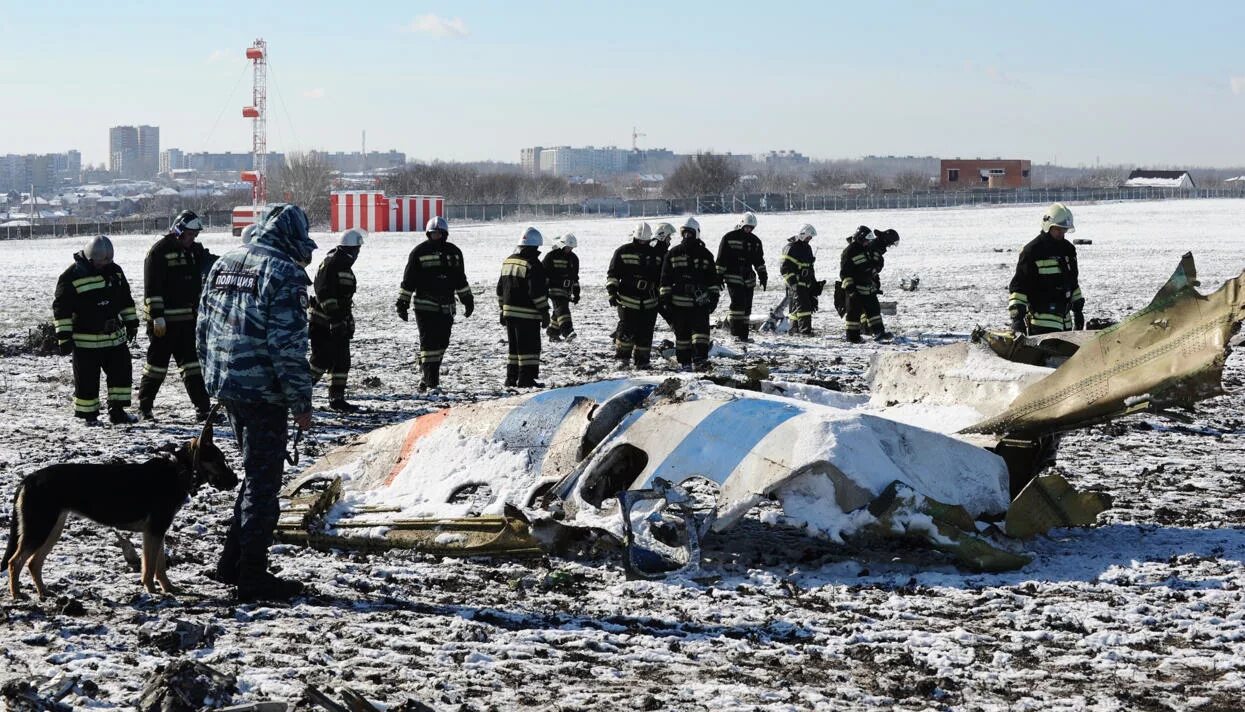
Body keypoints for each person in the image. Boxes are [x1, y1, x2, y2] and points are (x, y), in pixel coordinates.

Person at [198, 203, 317, 602]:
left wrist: (213, 380)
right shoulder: (285, 275)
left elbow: (203, 328)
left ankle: (231, 562)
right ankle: (252, 573)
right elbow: (287, 347)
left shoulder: (224, 263)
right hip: (264, 393)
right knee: (264, 485)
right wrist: (301, 400)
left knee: (255, 474)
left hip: (228, 386)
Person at [52, 235, 140, 425]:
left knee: (121, 376)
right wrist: (64, 337)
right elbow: (61, 309)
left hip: (115, 339)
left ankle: (117, 412)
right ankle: (88, 416)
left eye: (108, 262)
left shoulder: (115, 271)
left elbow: (125, 299)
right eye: (101, 263)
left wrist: (132, 322)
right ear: (90, 259)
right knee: (87, 382)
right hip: (86, 342)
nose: (105, 266)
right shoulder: (70, 277)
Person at [137, 210, 215, 421]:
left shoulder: (195, 251)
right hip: (164, 323)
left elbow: (212, 263)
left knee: (192, 366)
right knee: (156, 367)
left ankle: (202, 408)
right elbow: (152, 288)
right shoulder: (159, 252)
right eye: (189, 235)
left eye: (195, 235)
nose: (192, 239)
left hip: (187, 322)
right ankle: (144, 407)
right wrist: (157, 316)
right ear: (179, 231)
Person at [396, 216, 474, 391]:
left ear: (445, 234)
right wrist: (403, 302)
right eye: (433, 234)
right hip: (425, 305)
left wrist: (467, 300)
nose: (436, 236)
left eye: (439, 234)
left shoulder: (454, 252)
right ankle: (431, 381)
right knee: (429, 343)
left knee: (442, 342)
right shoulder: (419, 252)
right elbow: (409, 280)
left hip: (446, 306)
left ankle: (426, 369)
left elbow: (460, 278)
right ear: (428, 234)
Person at [309, 228, 365, 411]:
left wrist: (345, 320)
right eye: (356, 249)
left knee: (341, 361)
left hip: (338, 322)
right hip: (323, 323)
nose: (357, 253)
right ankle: (298, 395)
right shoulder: (332, 263)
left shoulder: (343, 264)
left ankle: (337, 399)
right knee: (320, 361)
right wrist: (334, 319)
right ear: (351, 249)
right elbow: (324, 292)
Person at [1009, 202, 1084, 335]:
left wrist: (1078, 311)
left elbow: (1073, 283)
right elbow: (1019, 288)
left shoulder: (1068, 250)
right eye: (1058, 229)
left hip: (1065, 323)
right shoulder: (1032, 251)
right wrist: (1017, 319)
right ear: (1048, 226)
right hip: (1042, 324)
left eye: (1064, 229)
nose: (1062, 233)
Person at [659, 217, 722, 371]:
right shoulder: (675, 253)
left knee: (699, 336)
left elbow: (713, 280)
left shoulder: (702, 254)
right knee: (682, 338)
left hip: (696, 305)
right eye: (685, 233)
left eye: (689, 233)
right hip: (685, 305)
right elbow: (665, 280)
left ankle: (698, 361)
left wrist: (713, 298)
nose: (687, 236)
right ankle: (687, 363)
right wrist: (666, 299)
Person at [497, 227, 550, 387]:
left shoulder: (508, 261)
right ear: (535, 246)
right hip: (527, 314)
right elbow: (536, 292)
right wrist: (544, 312)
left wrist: (502, 309)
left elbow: (500, 289)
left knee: (514, 348)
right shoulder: (533, 264)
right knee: (529, 348)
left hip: (509, 312)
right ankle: (526, 379)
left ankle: (511, 377)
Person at [607, 222, 663, 368]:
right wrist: (612, 292)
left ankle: (643, 361)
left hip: (649, 301)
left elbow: (661, 277)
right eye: (641, 240)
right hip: (627, 299)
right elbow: (613, 274)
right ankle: (622, 359)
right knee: (627, 330)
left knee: (646, 332)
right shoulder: (622, 251)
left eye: (646, 240)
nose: (643, 242)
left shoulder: (655, 255)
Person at [716, 211, 767, 342]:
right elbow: (721, 259)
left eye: (751, 228)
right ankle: (735, 334)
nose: (749, 230)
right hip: (733, 275)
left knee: (747, 307)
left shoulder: (756, 241)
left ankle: (744, 336)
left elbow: (759, 261)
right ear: (742, 224)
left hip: (748, 278)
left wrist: (763, 275)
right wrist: (718, 276)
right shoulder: (729, 237)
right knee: (737, 305)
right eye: (747, 227)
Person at [840, 225, 896, 343]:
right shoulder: (849, 251)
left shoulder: (864, 249)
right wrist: (850, 290)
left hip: (867, 287)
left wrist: (874, 278)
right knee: (854, 314)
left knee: (874, 310)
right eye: (866, 240)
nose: (867, 243)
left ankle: (879, 332)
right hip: (855, 288)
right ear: (860, 238)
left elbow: (869, 267)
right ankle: (853, 337)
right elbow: (845, 273)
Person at [781, 223, 820, 335]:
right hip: (796, 283)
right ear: (803, 234)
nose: (810, 239)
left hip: (805, 283)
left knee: (796, 307)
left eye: (810, 238)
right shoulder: (791, 247)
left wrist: (814, 284)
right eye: (808, 237)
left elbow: (810, 268)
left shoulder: (807, 247)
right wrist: (793, 283)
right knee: (804, 307)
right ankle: (805, 331)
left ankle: (794, 329)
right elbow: (785, 268)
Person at [542, 233, 580, 341]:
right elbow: (542, 273)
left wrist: (576, 293)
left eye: (571, 248)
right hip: (554, 288)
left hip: (566, 290)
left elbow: (575, 278)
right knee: (563, 309)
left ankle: (553, 332)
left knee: (558, 311)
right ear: (562, 245)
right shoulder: (551, 256)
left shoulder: (574, 259)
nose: (570, 249)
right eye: (568, 247)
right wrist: (544, 290)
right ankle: (567, 331)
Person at [652, 222, 677, 331]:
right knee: (671, 315)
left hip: (653, 291)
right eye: (668, 237)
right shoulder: (660, 251)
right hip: (656, 291)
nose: (670, 240)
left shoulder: (653, 247)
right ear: (663, 236)